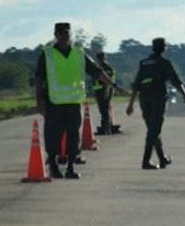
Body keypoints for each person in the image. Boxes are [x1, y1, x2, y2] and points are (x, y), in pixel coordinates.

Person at [35, 22, 128, 179]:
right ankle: (54, 166)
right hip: (54, 102)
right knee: (53, 136)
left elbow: (97, 72)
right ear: (55, 35)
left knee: (74, 136)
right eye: (61, 34)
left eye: (67, 33)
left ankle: (71, 166)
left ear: (70, 35)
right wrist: (39, 100)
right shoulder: (47, 54)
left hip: (73, 101)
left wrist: (114, 86)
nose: (65, 37)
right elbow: (39, 78)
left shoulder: (79, 54)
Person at [126, 37, 185, 169]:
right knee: (154, 130)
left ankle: (162, 159)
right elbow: (176, 81)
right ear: (164, 48)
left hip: (144, 99)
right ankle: (145, 161)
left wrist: (130, 104)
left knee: (153, 129)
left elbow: (136, 85)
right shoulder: (165, 63)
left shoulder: (144, 63)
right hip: (157, 99)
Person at [93, 52, 116, 135]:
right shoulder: (98, 67)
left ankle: (105, 128)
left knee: (104, 109)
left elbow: (108, 81)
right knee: (103, 109)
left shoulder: (107, 68)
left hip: (104, 90)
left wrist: (106, 91)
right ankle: (106, 126)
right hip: (99, 90)